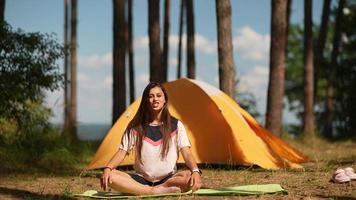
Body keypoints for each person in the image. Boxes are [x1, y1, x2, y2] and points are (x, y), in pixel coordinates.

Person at [101, 82, 202, 195]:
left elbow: (187, 153)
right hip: (140, 180)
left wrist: (195, 171)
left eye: (159, 96)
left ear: (165, 100)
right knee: (112, 176)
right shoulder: (135, 127)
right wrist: (108, 169)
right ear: (146, 100)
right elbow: (121, 152)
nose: (155, 99)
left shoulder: (176, 125)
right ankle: (151, 191)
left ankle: (157, 189)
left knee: (190, 178)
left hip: (169, 179)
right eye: (151, 96)